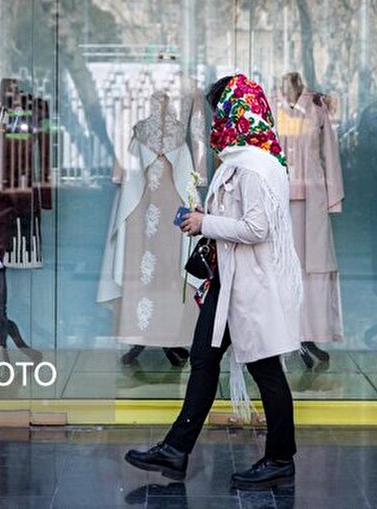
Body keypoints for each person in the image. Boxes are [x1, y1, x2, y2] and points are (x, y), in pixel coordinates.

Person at [124, 74, 303, 490]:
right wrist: (207, 219)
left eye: (219, 109)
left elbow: (257, 228)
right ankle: (176, 449)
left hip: (251, 286)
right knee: (204, 361)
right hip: (230, 284)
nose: (214, 118)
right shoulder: (247, 159)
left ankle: (280, 458)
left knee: (267, 370)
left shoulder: (254, 167)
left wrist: (206, 222)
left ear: (235, 111)